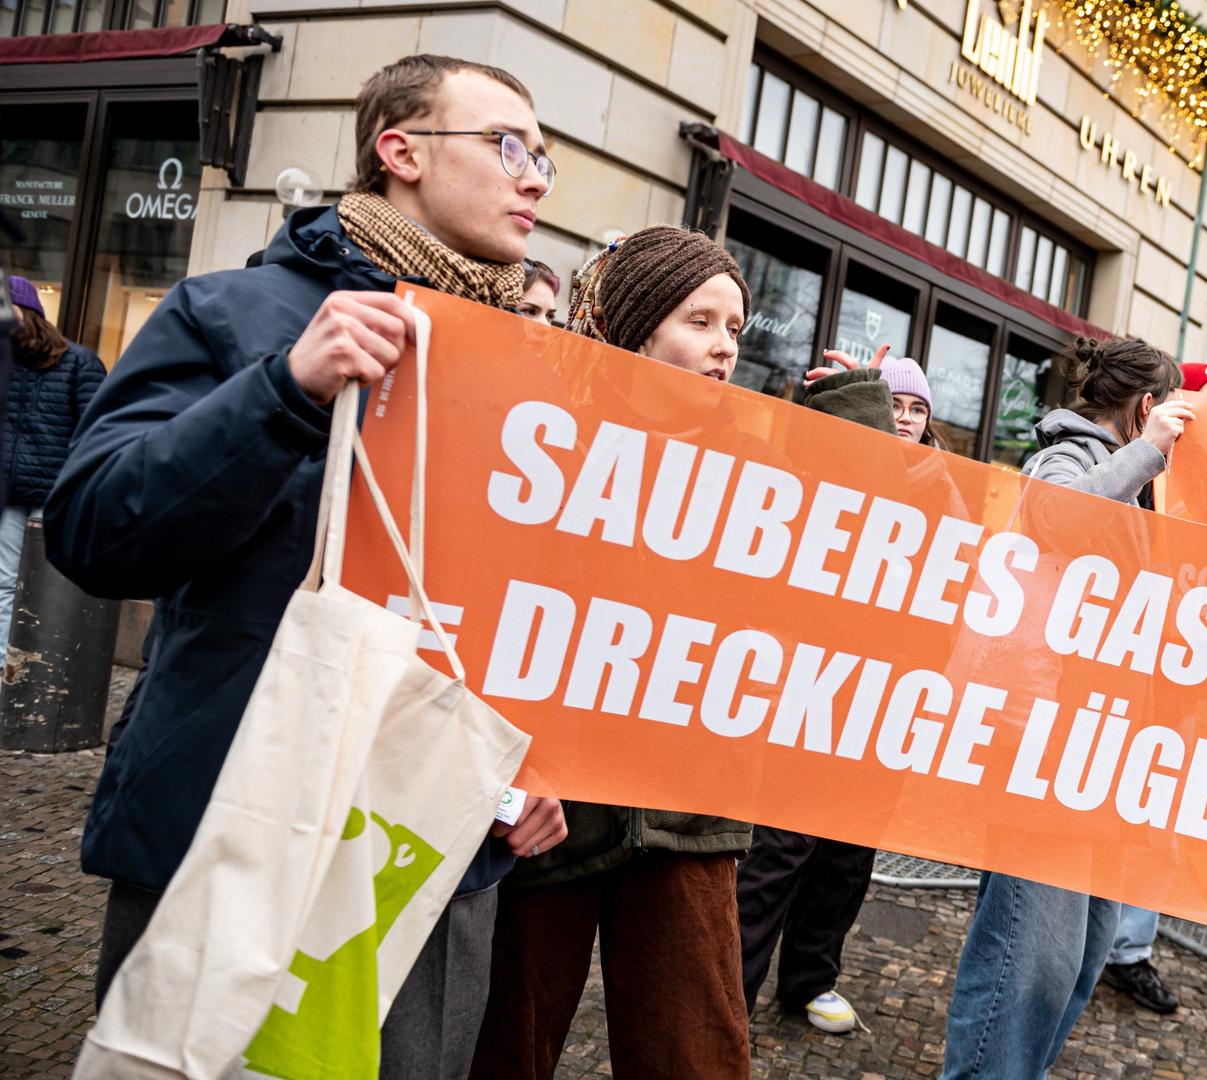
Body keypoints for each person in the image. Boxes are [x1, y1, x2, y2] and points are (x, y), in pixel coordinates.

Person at [45, 54, 568, 1077]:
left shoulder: (535, 377)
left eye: (544, 156)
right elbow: (97, 531)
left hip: (425, 853)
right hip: (230, 821)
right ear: (400, 150)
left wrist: (543, 768)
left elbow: (541, 610)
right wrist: (282, 392)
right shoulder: (231, 315)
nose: (537, 177)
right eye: (509, 145)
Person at [473, 224, 879, 1078]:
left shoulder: (752, 467)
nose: (723, 348)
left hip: (688, 809)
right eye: (699, 322)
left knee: (694, 1049)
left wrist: (855, 432)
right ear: (636, 323)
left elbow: (858, 583)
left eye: (734, 329)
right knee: (506, 1040)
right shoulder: (543, 441)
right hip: (548, 809)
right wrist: (505, 779)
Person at [942, 335, 1195, 1079]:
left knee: (1080, 953)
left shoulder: (1133, 479)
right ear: (1148, 408)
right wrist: (1148, 451)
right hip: (1044, 743)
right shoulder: (1070, 454)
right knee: (1028, 956)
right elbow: (1056, 517)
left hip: (1098, 747)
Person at [732, 344, 929, 1036]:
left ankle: (810, 979)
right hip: (811, 687)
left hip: (885, 700)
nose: (902, 420)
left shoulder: (941, 484)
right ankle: (728, 995)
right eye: (891, 405)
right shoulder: (838, 465)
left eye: (914, 409)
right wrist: (852, 411)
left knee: (846, 857)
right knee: (778, 848)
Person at [1099, 361, 1207, 1017]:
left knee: (1159, 814)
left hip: (1184, 673)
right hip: (1118, 669)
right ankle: (1093, 944)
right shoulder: (1138, 465)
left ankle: (1127, 951)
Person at [2, 276, 103, 639]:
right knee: (4, 581)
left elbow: (97, 429)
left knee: (50, 586)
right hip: (10, 495)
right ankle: (2, 669)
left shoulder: (78, 362)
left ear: (28, 312)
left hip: (57, 495)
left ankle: (41, 669)